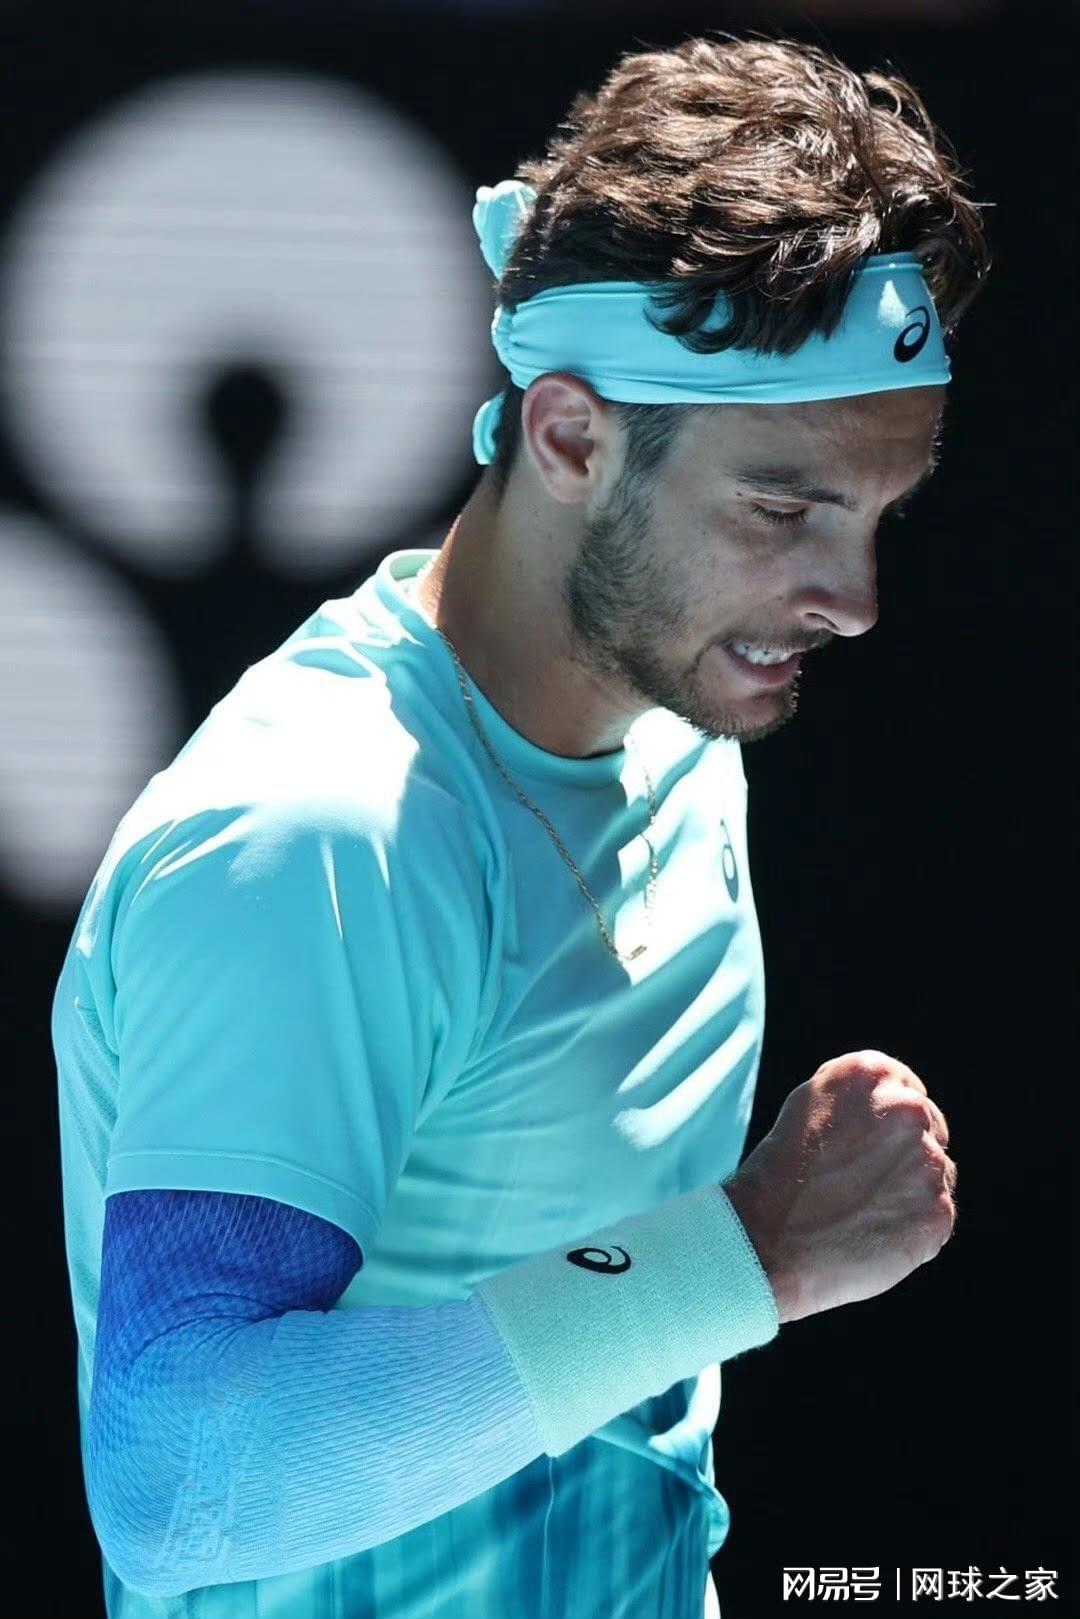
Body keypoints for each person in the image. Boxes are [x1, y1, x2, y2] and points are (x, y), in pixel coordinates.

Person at [51, 33, 987, 1619]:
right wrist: (746, 1256)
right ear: (568, 439)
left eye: (878, 513)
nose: (853, 598)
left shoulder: (679, 724)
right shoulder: (316, 841)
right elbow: (181, 1485)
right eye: (783, 509)